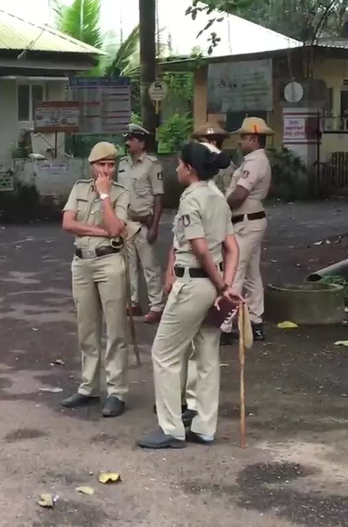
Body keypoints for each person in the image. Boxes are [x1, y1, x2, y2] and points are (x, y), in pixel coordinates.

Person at [137, 141, 239, 450]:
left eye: (180, 165)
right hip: (213, 285)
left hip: (194, 283)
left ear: (190, 169)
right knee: (206, 353)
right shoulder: (218, 197)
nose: (177, 169)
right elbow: (232, 247)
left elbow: (198, 248)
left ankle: (171, 429)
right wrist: (226, 286)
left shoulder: (191, 198)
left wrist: (221, 285)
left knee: (164, 353)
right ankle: (204, 427)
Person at [59, 141, 132, 418]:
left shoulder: (120, 193)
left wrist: (104, 197)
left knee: (115, 330)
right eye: (101, 164)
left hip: (109, 262)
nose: (106, 170)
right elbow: (68, 224)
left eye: (111, 164)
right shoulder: (78, 188)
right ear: (92, 165)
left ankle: (117, 391)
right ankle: (89, 387)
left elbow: (116, 227)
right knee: (86, 329)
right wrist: (103, 232)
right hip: (82, 262)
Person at [222, 117, 274, 344]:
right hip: (250, 220)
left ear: (253, 138)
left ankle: (224, 325)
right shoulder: (254, 160)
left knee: (235, 272)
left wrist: (219, 206)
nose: (240, 141)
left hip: (246, 221)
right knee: (252, 274)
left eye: (243, 137)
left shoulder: (254, 161)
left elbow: (240, 194)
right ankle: (255, 321)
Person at [117, 123, 166, 324]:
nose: (127, 143)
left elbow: (159, 196)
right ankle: (134, 302)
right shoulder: (123, 164)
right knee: (129, 266)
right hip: (126, 222)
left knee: (149, 267)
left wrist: (155, 226)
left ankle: (157, 305)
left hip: (144, 222)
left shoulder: (151, 165)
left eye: (132, 139)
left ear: (142, 143)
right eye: (127, 139)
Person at [192, 121, 236, 193]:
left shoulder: (226, 166)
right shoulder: (202, 163)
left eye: (201, 141)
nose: (198, 145)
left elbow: (230, 193)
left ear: (213, 143)